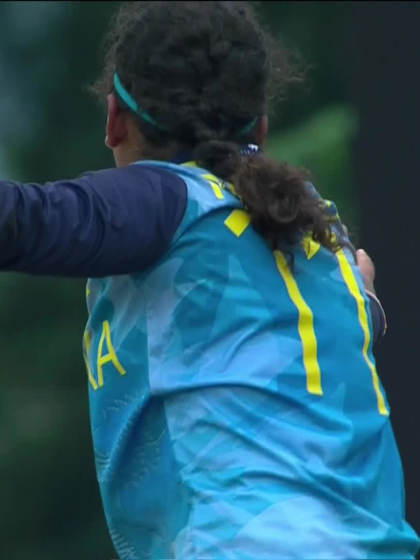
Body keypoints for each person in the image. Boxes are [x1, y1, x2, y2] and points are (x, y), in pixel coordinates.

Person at [1, 2, 418, 558]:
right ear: (262, 128)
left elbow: (20, 221)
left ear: (114, 122)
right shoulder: (325, 238)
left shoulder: (167, 202)